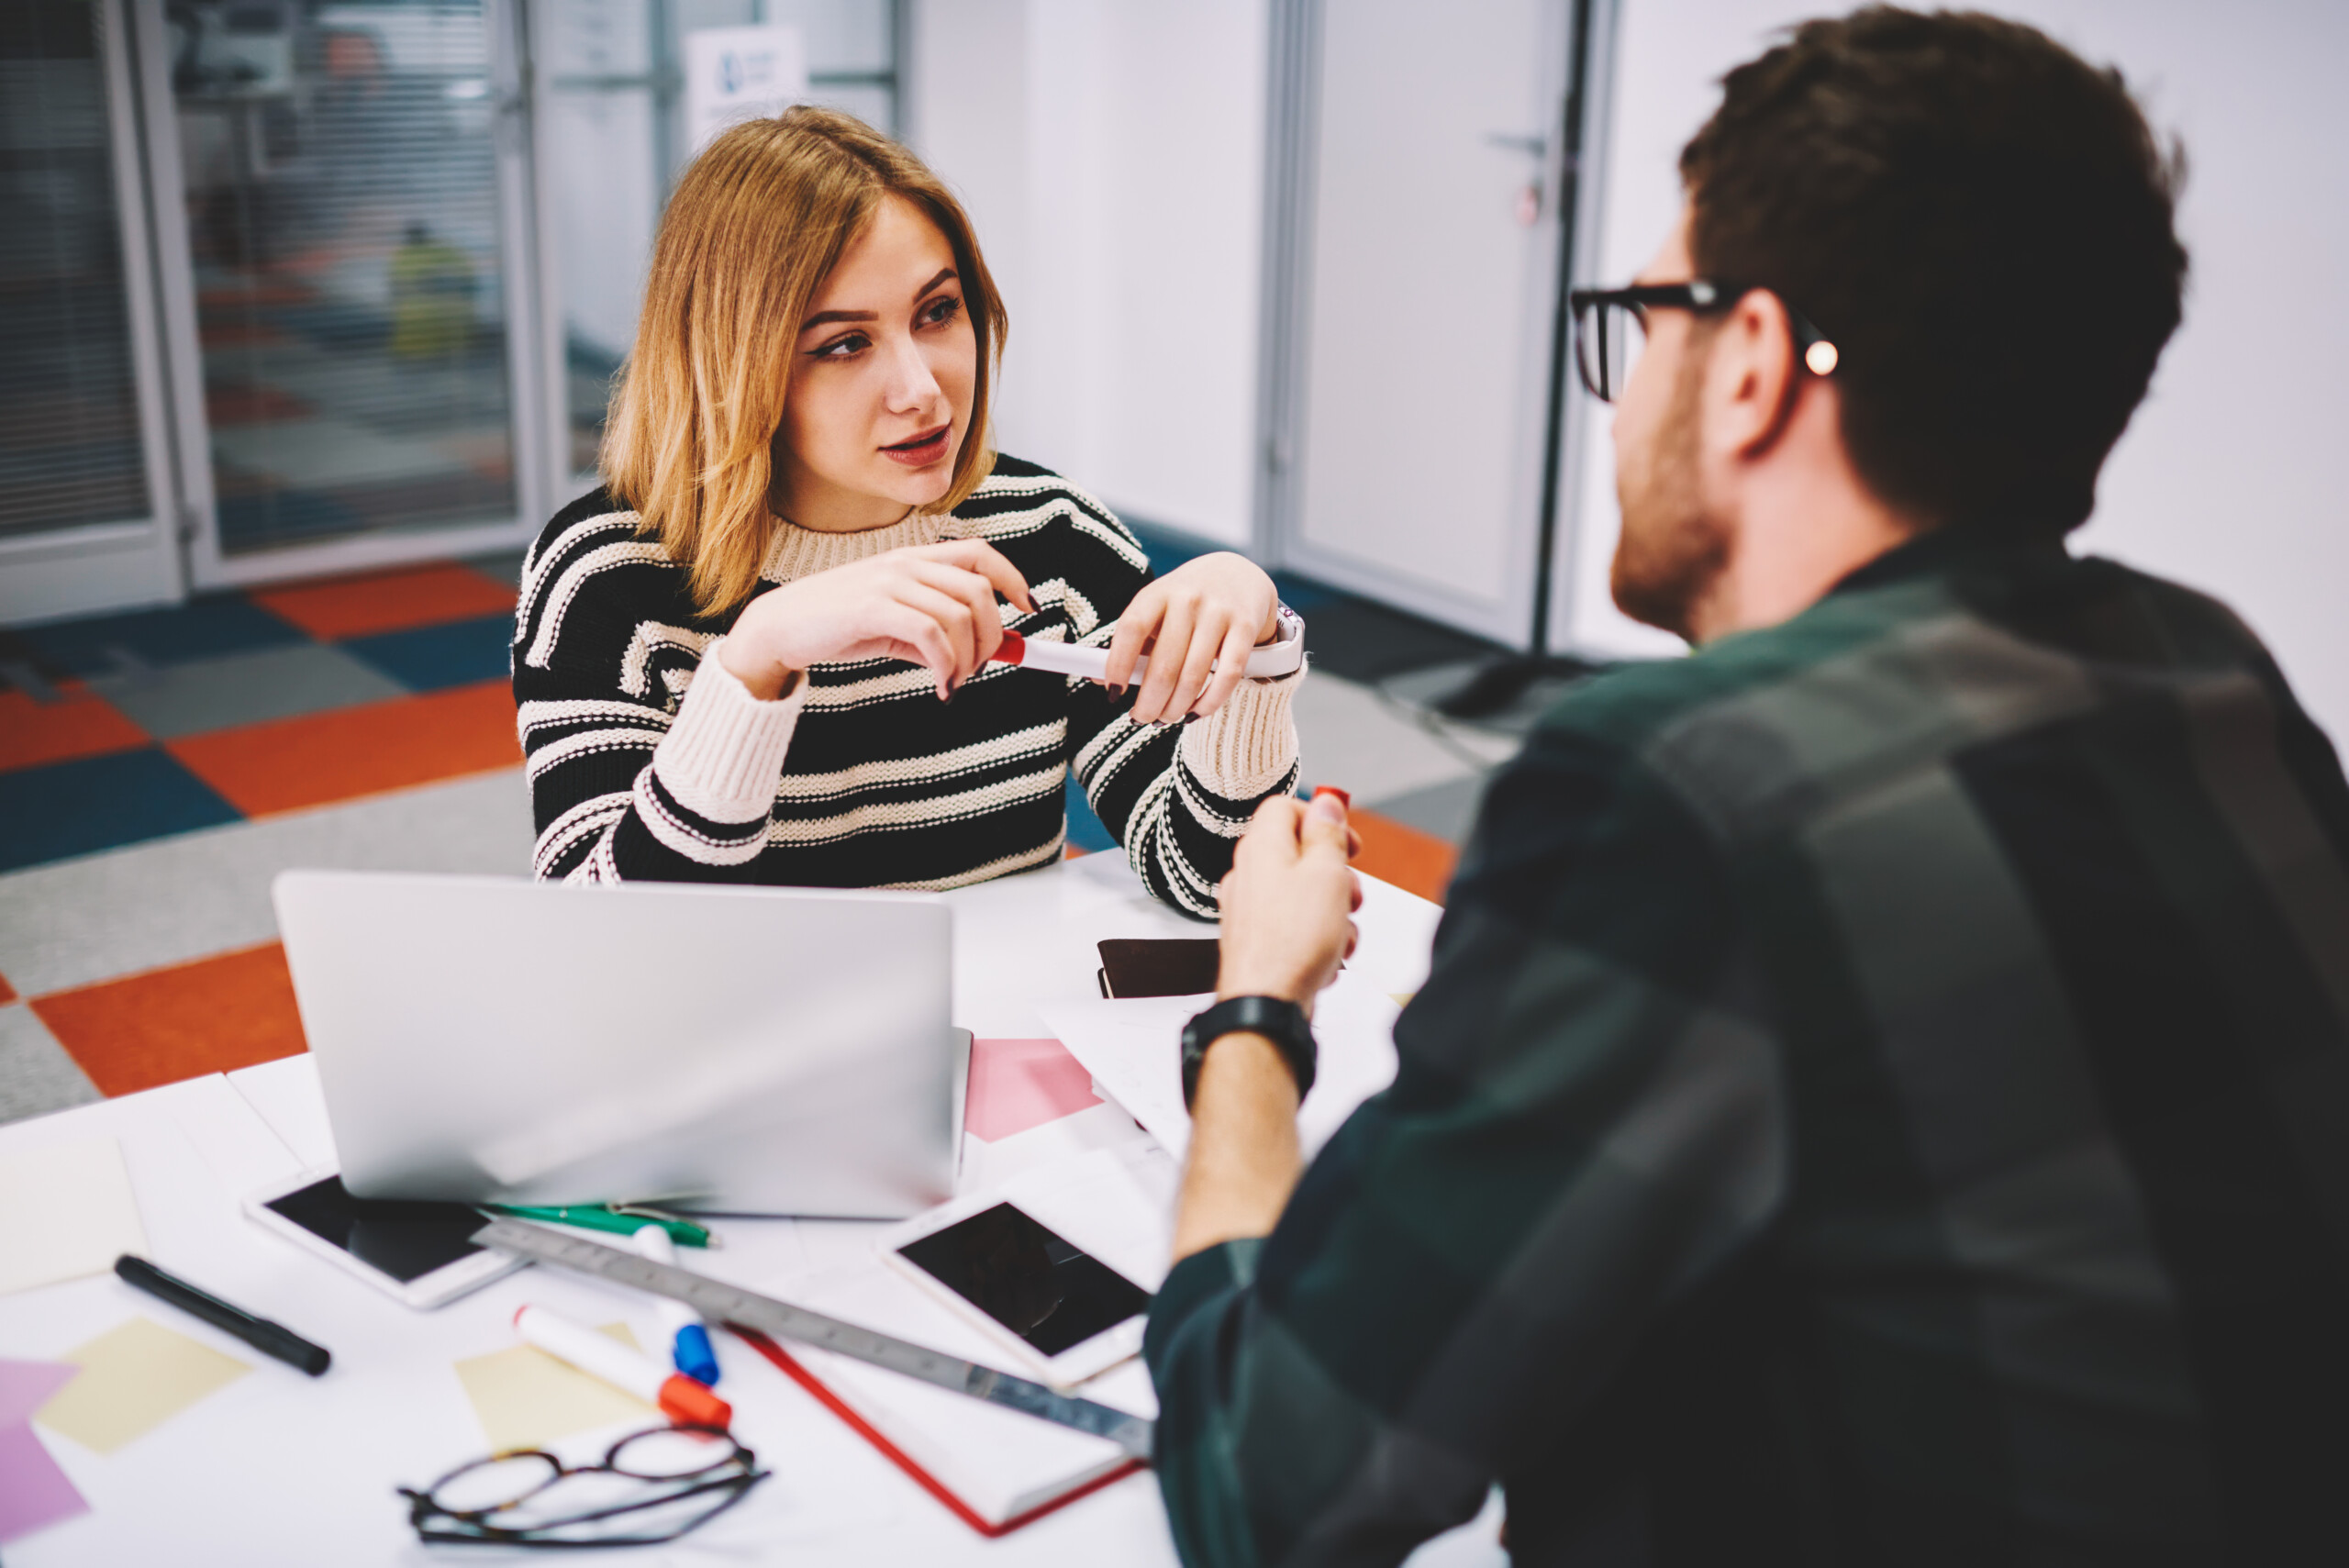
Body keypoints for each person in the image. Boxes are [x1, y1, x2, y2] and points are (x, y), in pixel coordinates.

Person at [1147, 9, 2349, 1564]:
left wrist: (1255, 1009)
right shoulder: (2215, 673)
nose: (1631, 385)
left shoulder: (1677, 792)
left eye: (1649, 320)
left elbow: (1264, 1484)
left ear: (1755, 366)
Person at [511, 109, 1305, 911]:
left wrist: (1256, 641)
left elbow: (1212, 883)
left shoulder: (1049, 537)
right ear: (732, 363)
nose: (923, 389)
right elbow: (606, 944)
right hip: (754, 1031)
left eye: (937, 312)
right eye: (845, 344)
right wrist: (757, 658)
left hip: (992, 1028)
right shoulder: (610, 578)